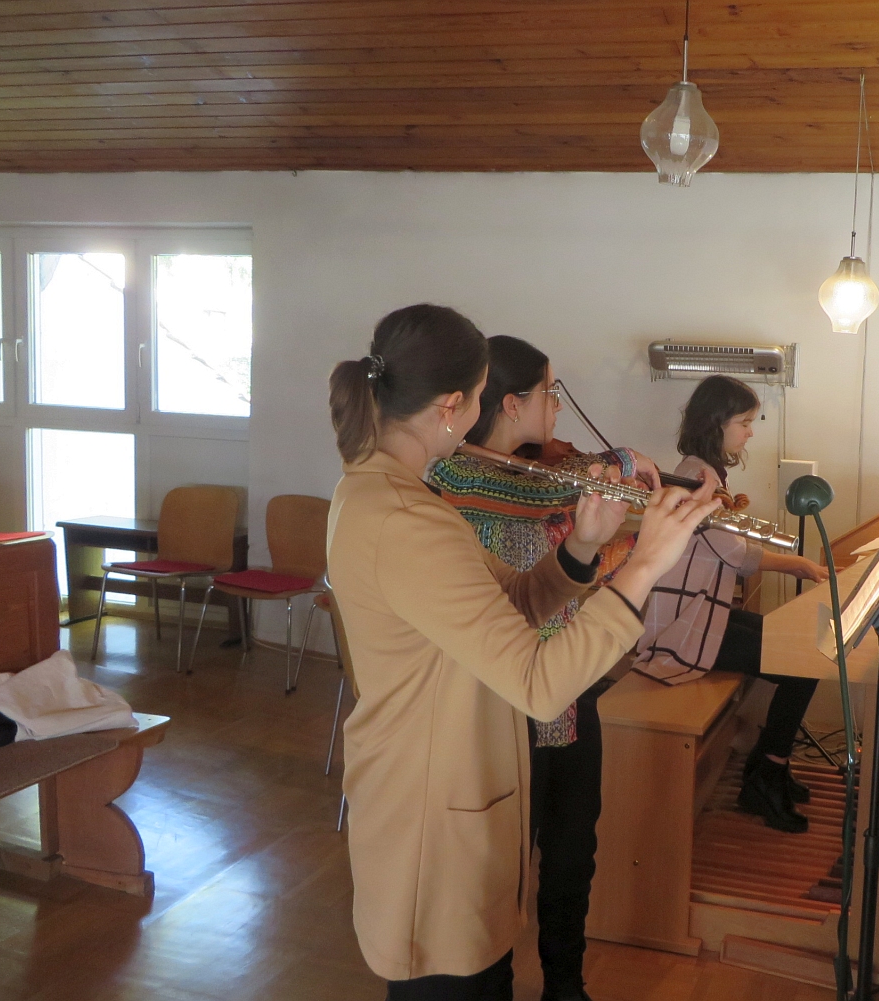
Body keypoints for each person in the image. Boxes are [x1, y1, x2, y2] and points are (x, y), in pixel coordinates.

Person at [325, 304, 720, 1001]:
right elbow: (539, 682)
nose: (481, 415)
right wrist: (644, 567)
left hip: (449, 788)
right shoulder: (406, 519)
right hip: (431, 814)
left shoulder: (397, 495)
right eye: (481, 398)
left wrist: (583, 547)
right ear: (451, 406)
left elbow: (507, 604)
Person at [427, 335, 655, 1001]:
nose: (557, 407)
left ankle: (565, 983)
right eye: (549, 393)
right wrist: (613, 464)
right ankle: (491, 978)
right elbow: (531, 500)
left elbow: (569, 525)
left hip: (570, 688)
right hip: (499, 702)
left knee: (572, 850)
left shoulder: (539, 475)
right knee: (501, 862)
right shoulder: (460, 479)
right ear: (509, 403)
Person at [634, 374, 829, 834]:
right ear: (717, 423)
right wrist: (799, 564)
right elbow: (737, 556)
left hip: (703, 613)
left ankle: (767, 765)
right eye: (744, 422)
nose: (750, 432)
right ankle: (766, 774)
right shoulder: (695, 477)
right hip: (682, 627)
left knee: (799, 649)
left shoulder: (706, 471)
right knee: (802, 666)